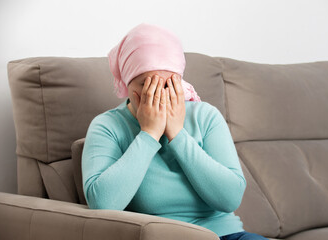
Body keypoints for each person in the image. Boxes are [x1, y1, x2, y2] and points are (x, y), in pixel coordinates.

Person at [81, 23, 268, 240]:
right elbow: (102, 204)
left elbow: (230, 198)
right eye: (146, 84)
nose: (158, 95)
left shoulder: (206, 116)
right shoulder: (107, 126)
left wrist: (177, 135)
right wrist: (149, 134)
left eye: (168, 85)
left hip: (226, 235)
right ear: (127, 82)